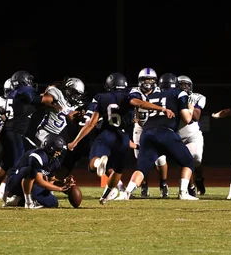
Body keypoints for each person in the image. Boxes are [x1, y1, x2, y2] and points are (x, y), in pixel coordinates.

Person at [66, 72, 174, 205]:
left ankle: (98, 163)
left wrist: (75, 142)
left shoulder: (101, 97)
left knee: (92, 164)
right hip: (122, 138)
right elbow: (138, 103)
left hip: (106, 134)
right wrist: (162, 109)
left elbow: (91, 123)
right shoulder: (130, 94)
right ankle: (106, 195)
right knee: (117, 170)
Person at [115, 72, 198, 202]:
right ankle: (183, 192)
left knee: (141, 168)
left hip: (147, 133)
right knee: (188, 162)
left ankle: (126, 193)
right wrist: (191, 108)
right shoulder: (179, 93)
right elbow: (187, 118)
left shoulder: (151, 96)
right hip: (166, 132)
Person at [0, 70, 57, 197]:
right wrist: (51, 93)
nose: (31, 84)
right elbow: (46, 100)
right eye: (29, 81)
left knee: (6, 163)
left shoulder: (14, 93)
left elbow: (31, 105)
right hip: (15, 132)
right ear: (24, 81)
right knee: (19, 165)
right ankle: (9, 193)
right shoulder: (25, 91)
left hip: (7, 132)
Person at [2, 133, 75, 209]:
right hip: (15, 181)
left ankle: (17, 200)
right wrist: (60, 188)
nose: (59, 153)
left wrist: (63, 182)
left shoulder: (54, 161)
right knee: (30, 172)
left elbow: (51, 179)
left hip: (31, 184)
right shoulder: (37, 156)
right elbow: (40, 181)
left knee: (53, 203)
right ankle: (28, 202)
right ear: (50, 148)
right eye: (58, 150)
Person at [130, 67, 170, 198]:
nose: (147, 82)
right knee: (141, 159)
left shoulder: (160, 91)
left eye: (150, 79)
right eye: (144, 79)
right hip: (140, 127)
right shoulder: (135, 91)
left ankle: (163, 184)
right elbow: (136, 103)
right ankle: (144, 186)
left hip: (155, 127)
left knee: (160, 159)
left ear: (155, 81)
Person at [177, 75, 207, 196]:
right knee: (186, 160)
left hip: (193, 134)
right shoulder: (172, 97)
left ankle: (199, 179)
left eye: (187, 85)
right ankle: (190, 186)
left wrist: (186, 104)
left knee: (197, 159)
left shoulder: (197, 97)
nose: (184, 87)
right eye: (181, 85)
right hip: (176, 134)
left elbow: (196, 116)